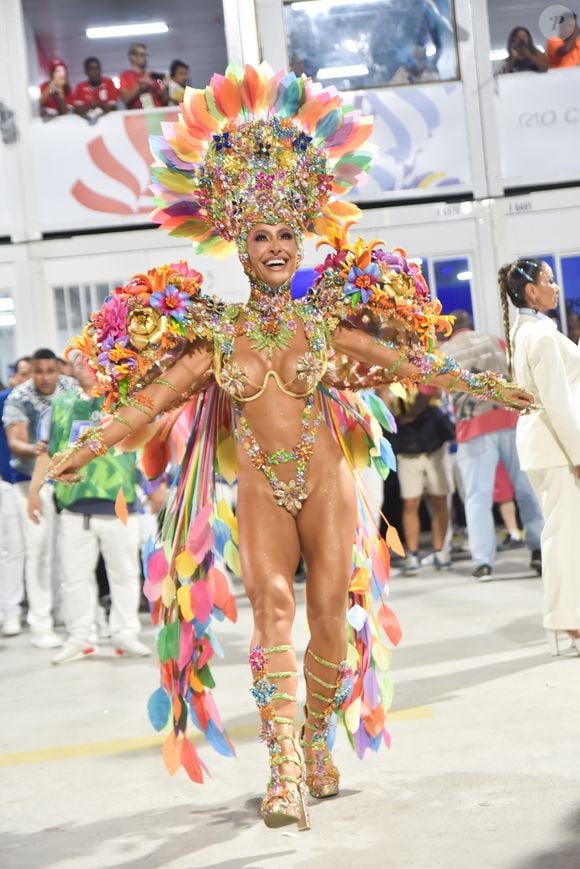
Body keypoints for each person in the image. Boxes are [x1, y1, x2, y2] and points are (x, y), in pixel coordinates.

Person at [46, 64, 533, 831]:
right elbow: (151, 399)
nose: (275, 247)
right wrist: (80, 446)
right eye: (260, 236)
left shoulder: (322, 318)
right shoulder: (213, 331)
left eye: (285, 235)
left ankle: (314, 741)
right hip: (262, 492)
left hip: (327, 482)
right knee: (270, 608)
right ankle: (281, 769)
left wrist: (490, 385)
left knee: (331, 618)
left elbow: (405, 365)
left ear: (301, 241)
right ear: (239, 247)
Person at [27, 353, 150, 665]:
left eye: (91, 359)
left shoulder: (122, 400)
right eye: (79, 360)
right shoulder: (61, 404)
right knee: (74, 578)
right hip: (74, 507)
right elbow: (47, 452)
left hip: (118, 503)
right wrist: (34, 492)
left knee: (125, 573)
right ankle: (81, 638)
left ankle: (125, 633)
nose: (84, 365)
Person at [499, 259, 580, 656]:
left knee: (564, 536)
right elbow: (558, 402)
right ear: (531, 291)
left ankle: (569, 621)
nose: (555, 287)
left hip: (545, 445)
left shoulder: (529, 330)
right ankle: (571, 625)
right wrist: (578, 453)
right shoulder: (541, 335)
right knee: (565, 539)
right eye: (549, 280)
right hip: (555, 447)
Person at [444, 310, 544, 580]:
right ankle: (539, 550)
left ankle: (483, 562)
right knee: (527, 489)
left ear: (448, 328)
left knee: (477, 497)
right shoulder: (494, 340)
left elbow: (429, 391)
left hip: (474, 427)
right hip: (511, 421)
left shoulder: (445, 351)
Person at [2, 348, 76, 647]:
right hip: (29, 482)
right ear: (30, 372)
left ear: (59, 369)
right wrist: (38, 449)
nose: (45, 377)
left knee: (68, 548)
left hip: (69, 478)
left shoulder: (72, 389)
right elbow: (15, 442)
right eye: (39, 371)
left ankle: (71, 615)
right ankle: (40, 623)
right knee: (39, 550)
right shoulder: (18, 397)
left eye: (50, 370)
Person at [385, 385, 454, 574]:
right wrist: (382, 387)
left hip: (434, 444)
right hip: (407, 449)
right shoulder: (384, 375)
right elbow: (384, 411)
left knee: (440, 499)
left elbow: (433, 392)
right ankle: (413, 555)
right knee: (411, 502)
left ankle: (441, 551)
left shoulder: (422, 364)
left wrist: (411, 415)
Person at [0, 356, 31, 636]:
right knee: (12, 550)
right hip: (8, 483)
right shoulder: (5, 400)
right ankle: (10, 611)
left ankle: (46, 611)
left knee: (42, 552)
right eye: (22, 375)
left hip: (40, 484)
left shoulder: (49, 401)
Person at [119, 42, 168, 110]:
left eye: (146, 55)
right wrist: (140, 85)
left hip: (158, 113)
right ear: (132, 57)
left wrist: (165, 88)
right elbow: (125, 99)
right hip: (139, 116)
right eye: (142, 55)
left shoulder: (152, 75)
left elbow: (164, 101)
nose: (145, 58)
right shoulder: (125, 76)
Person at [73, 57, 118, 123]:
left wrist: (99, 105)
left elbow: (113, 107)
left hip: (108, 124)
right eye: (92, 69)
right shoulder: (81, 86)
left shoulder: (108, 83)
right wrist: (89, 106)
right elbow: (77, 110)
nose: (96, 72)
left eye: (98, 68)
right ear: (86, 72)